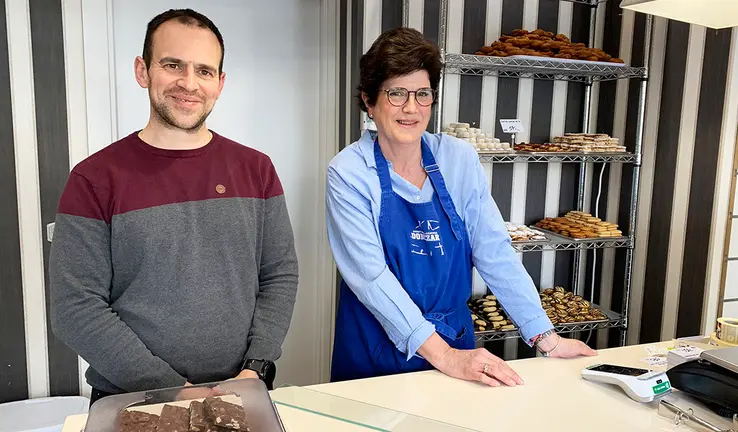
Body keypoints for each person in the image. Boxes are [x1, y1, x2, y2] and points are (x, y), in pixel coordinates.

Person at [49, 9, 298, 403]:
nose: (188, 83)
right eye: (172, 65)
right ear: (142, 71)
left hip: (240, 390)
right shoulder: (93, 179)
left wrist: (257, 367)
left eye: (204, 71)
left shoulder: (256, 169)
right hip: (134, 399)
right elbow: (75, 308)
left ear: (220, 83)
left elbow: (279, 274)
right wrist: (173, 390)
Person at [327, 28, 597, 386]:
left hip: (453, 339)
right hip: (376, 347)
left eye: (422, 94)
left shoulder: (458, 159)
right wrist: (445, 356)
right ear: (369, 101)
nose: (411, 108)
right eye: (396, 94)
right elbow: (372, 278)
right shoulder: (348, 172)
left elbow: (493, 251)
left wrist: (545, 337)